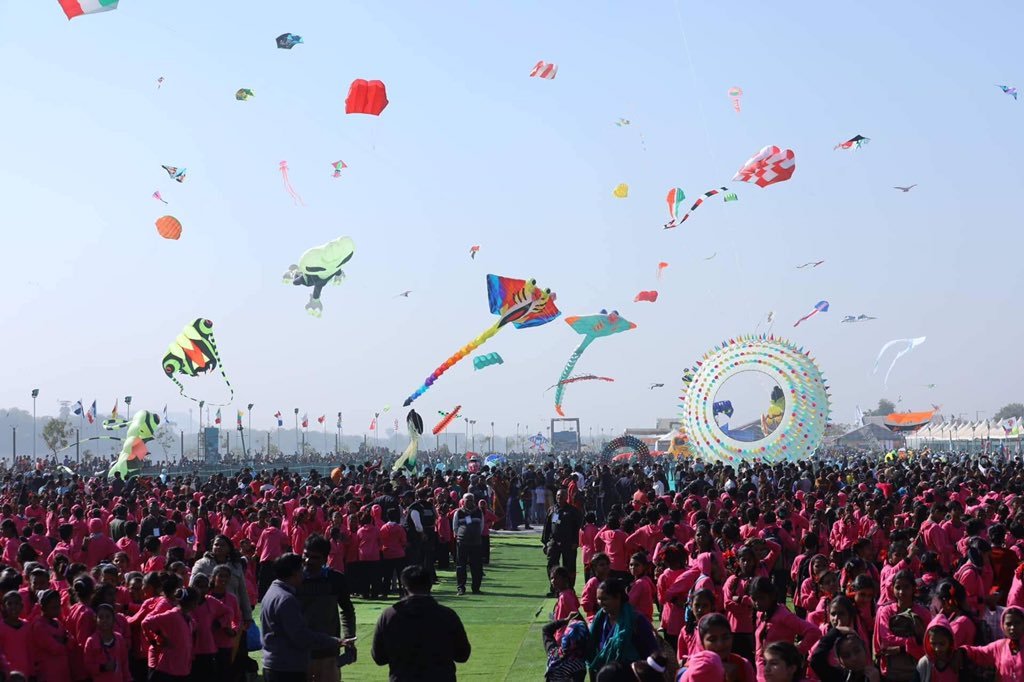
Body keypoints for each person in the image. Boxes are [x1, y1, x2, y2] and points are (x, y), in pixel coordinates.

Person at [371, 565, 471, 681]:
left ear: (404, 587)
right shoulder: (447, 615)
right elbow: (462, 655)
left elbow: (379, 658)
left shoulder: (389, 616)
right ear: (430, 585)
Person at [261, 553, 349, 682]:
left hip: (274, 663)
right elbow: (301, 636)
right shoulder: (286, 599)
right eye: (301, 569)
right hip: (287, 668)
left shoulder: (272, 592)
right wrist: (335, 641)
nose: (304, 573)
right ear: (294, 573)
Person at [297, 534, 357, 682]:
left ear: (325, 559)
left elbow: (347, 611)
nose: (308, 561)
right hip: (299, 649)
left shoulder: (335, 579)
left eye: (314, 557)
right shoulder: (294, 578)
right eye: (306, 555)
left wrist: (349, 639)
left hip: (328, 649)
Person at [543, 489, 583, 589]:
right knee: (552, 565)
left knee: (569, 566)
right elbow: (547, 527)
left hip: (569, 543)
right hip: (554, 542)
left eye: (561, 496)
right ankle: (554, 588)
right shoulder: (552, 510)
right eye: (557, 496)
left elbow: (579, 528)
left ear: (566, 497)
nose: (559, 498)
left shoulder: (573, 511)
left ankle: (569, 588)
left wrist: (576, 542)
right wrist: (545, 543)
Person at [453, 493, 484, 596]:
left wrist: (475, 535)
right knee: (461, 567)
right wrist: (462, 536)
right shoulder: (458, 512)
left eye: (471, 500)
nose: (470, 502)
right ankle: (461, 588)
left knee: (477, 567)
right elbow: (455, 527)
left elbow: (481, 526)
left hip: (476, 543)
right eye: (467, 500)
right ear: (463, 501)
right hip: (462, 543)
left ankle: (476, 588)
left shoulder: (479, 512)